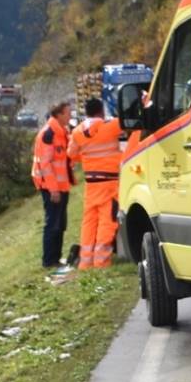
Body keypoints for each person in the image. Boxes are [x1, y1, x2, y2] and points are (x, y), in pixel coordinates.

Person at [68, 98, 123, 269]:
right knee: (107, 221)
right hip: (110, 183)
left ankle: (85, 262)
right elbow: (131, 124)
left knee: (89, 222)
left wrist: (86, 158)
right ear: (101, 111)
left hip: (91, 183)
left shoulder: (77, 132)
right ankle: (101, 262)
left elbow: (72, 154)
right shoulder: (110, 126)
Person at [31, 102, 73, 268]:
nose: (70, 115)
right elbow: (46, 165)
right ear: (59, 115)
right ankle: (49, 261)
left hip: (60, 186)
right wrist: (53, 189)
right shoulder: (48, 134)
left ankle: (56, 258)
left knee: (60, 224)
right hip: (52, 188)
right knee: (53, 224)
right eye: (68, 113)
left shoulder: (61, 132)